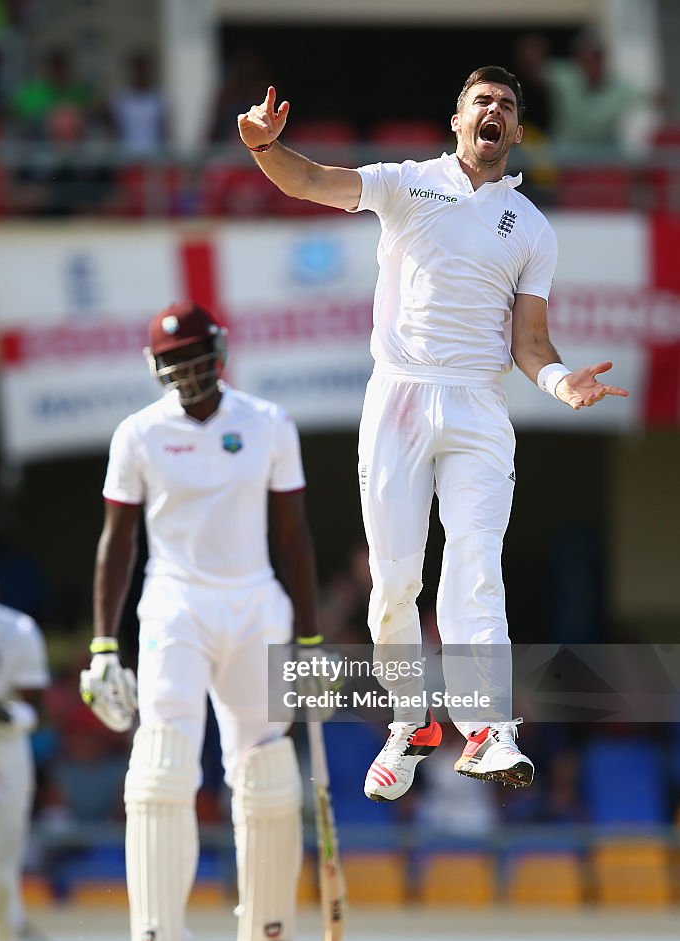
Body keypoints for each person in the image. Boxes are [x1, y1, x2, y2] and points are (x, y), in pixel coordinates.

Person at [237, 67, 629, 803]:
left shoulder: (531, 229)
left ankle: (484, 728)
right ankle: (410, 723)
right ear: (456, 120)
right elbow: (314, 182)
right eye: (481, 101)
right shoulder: (404, 183)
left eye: (507, 107)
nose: (494, 111)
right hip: (399, 397)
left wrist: (558, 381)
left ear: (514, 132)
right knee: (394, 583)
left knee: (476, 564)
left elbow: (533, 343)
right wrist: (265, 151)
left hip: (478, 405)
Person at [79, 300, 323, 941]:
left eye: (194, 358)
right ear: (155, 369)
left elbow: (292, 534)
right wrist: (105, 645)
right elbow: (116, 541)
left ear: (218, 352)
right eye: (172, 364)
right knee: (160, 766)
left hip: (255, 606)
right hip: (174, 607)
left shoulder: (268, 424)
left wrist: (308, 638)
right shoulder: (138, 434)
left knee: (266, 772)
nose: (186, 374)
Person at [0, 594, 50, 941]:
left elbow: (36, 711)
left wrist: (5, 712)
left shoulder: (16, 629)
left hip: (3, 757)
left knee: (0, 871)